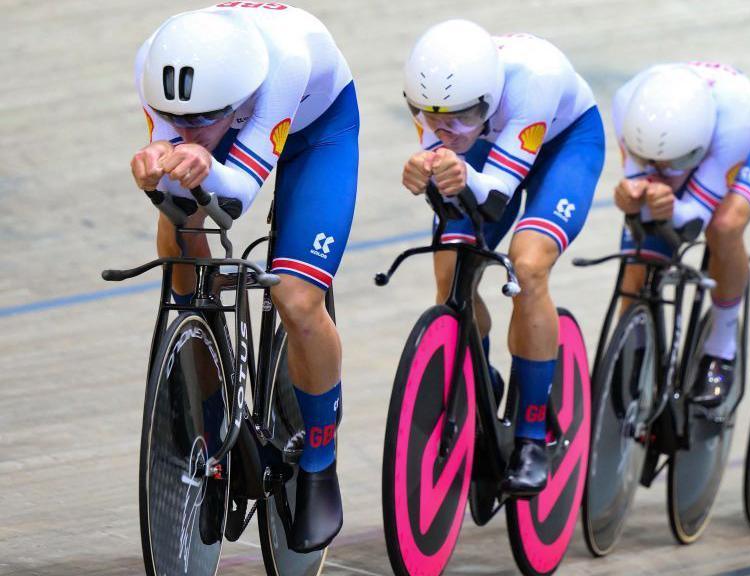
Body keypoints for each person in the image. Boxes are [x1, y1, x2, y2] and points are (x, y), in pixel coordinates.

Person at [129, 3, 359, 551]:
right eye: (175, 120)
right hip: (231, 126)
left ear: (238, 99)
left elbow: (236, 200)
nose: (185, 130)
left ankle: (319, 466)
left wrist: (197, 159)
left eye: (197, 122)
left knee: (299, 300)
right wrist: (158, 168)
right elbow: (184, 182)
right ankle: (208, 388)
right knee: (176, 227)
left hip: (316, 133)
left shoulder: (286, 62)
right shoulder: (157, 65)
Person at [400, 20, 604, 495]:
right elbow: (446, 155)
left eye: (458, 119)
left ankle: (533, 434)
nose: (442, 130)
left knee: (527, 265)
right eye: (432, 119)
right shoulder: (436, 99)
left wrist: (450, 168)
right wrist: (424, 169)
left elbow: (493, 197)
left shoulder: (534, 81)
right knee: (453, 267)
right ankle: (480, 376)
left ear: (489, 100)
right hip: (489, 143)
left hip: (562, 145)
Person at [612, 62, 750, 407]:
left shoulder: (737, 123)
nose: (665, 173)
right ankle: (633, 353)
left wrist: (670, 206)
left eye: (676, 164)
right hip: (675, 143)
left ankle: (722, 348)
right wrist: (631, 198)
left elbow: (692, 222)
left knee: (724, 227)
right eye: (649, 160)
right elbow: (641, 203)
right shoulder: (627, 105)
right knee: (640, 256)